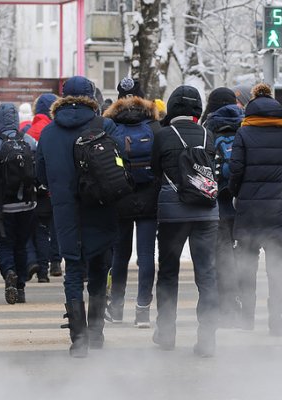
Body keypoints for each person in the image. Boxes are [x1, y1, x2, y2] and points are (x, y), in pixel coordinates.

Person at [36, 76, 118, 357]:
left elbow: (40, 175)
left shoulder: (48, 133)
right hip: (101, 208)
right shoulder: (105, 126)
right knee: (99, 267)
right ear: (91, 97)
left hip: (66, 211)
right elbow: (121, 166)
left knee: (72, 271)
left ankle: (78, 340)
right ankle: (96, 334)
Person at [151, 85, 219, 357]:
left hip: (172, 214)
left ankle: (166, 333)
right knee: (207, 274)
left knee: (168, 272)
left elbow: (156, 170)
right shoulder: (208, 135)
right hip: (207, 212)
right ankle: (207, 338)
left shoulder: (163, 135)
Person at [229, 83, 282, 336]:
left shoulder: (243, 133)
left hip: (250, 208)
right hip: (278, 206)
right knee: (276, 266)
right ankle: (275, 322)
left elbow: (235, 168)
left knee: (247, 264)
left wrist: (238, 192)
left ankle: (247, 318)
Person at [103, 78, 160, 328]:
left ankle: (116, 309)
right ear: (141, 96)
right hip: (149, 197)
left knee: (120, 256)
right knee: (147, 255)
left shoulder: (109, 127)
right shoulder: (155, 126)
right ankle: (143, 311)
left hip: (119, 196)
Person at [0, 103, 37, 305]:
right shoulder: (29, 141)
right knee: (21, 245)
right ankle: (20, 287)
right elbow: (38, 168)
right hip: (27, 205)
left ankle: (9, 271)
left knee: (3, 244)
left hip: (3, 208)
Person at [202, 87, 245, 327]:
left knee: (219, 255)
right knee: (241, 255)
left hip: (216, 204)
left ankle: (223, 305)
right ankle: (240, 303)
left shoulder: (207, 129)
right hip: (239, 202)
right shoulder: (244, 127)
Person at [24, 93, 62, 282]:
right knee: (56, 226)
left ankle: (42, 267)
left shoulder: (29, 132)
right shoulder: (54, 129)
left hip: (36, 188)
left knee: (39, 228)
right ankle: (56, 262)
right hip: (55, 186)